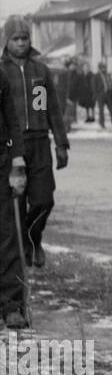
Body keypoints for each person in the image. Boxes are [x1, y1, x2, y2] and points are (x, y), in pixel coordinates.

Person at [1, 15, 69, 269]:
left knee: (44, 200)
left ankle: (32, 238)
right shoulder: (1, 72)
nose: (21, 43)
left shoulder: (41, 71)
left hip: (40, 143)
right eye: (15, 39)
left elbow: (54, 109)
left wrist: (61, 143)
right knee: (15, 204)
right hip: (12, 147)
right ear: (6, 41)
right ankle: (19, 253)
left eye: (25, 38)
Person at [1, 67, 28, 329]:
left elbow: (12, 121)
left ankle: (11, 305)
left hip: (0, 164)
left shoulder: (0, 77)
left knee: (7, 236)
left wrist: (17, 162)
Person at [93, 61, 112, 128]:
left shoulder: (107, 75)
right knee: (101, 110)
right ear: (100, 68)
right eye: (103, 67)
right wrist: (96, 96)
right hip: (100, 95)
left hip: (108, 94)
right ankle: (102, 123)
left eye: (105, 67)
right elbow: (94, 86)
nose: (104, 69)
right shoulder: (96, 76)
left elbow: (110, 83)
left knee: (111, 108)